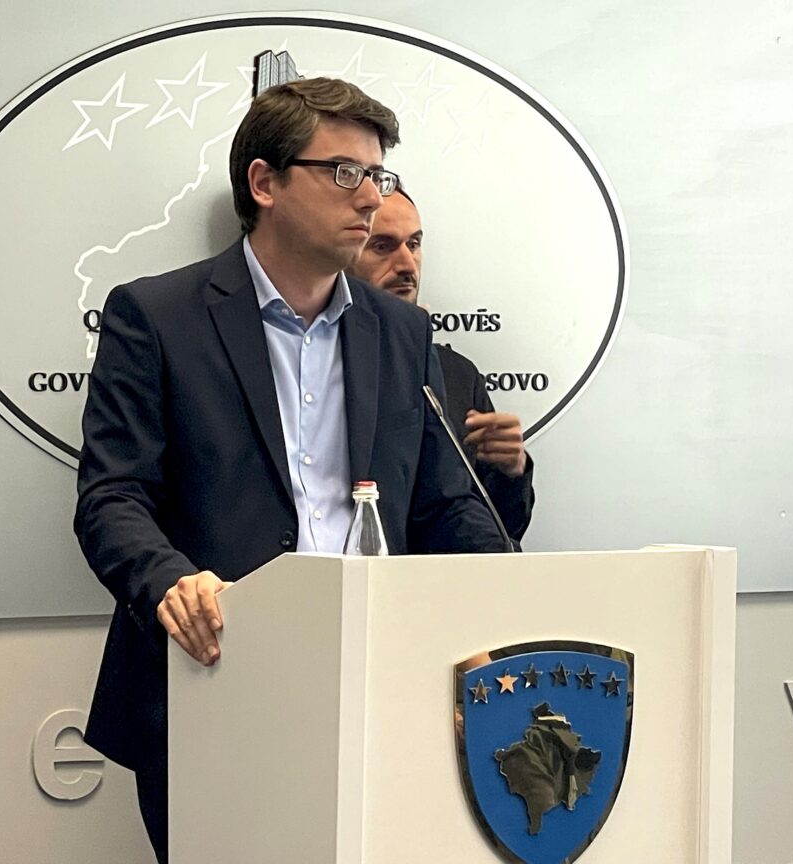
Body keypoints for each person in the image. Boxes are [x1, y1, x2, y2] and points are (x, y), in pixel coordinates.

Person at [73, 77, 510, 864]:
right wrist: (171, 583)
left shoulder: (402, 333)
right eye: (344, 173)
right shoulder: (157, 317)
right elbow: (113, 496)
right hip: (216, 676)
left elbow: (445, 506)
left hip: (379, 679)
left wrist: (501, 614)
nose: (370, 197)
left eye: (376, 174)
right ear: (265, 183)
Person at [348, 188, 536, 539]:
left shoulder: (457, 374)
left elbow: (503, 530)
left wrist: (510, 470)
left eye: (414, 244)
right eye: (382, 246)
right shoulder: (322, 365)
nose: (407, 265)